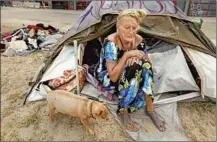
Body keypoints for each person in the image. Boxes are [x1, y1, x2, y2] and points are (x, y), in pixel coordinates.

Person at [95, 9, 166, 132]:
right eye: (127, 27)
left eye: (134, 27)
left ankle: (150, 109)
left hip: (126, 75)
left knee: (144, 65)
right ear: (118, 26)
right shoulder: (111, 42)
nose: (131, 32)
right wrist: (127, 56)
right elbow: (112, 77)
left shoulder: (139, 40)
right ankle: (123, 111)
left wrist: (137, 58)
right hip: (108, 76)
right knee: (133, 68)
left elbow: (148, 63)